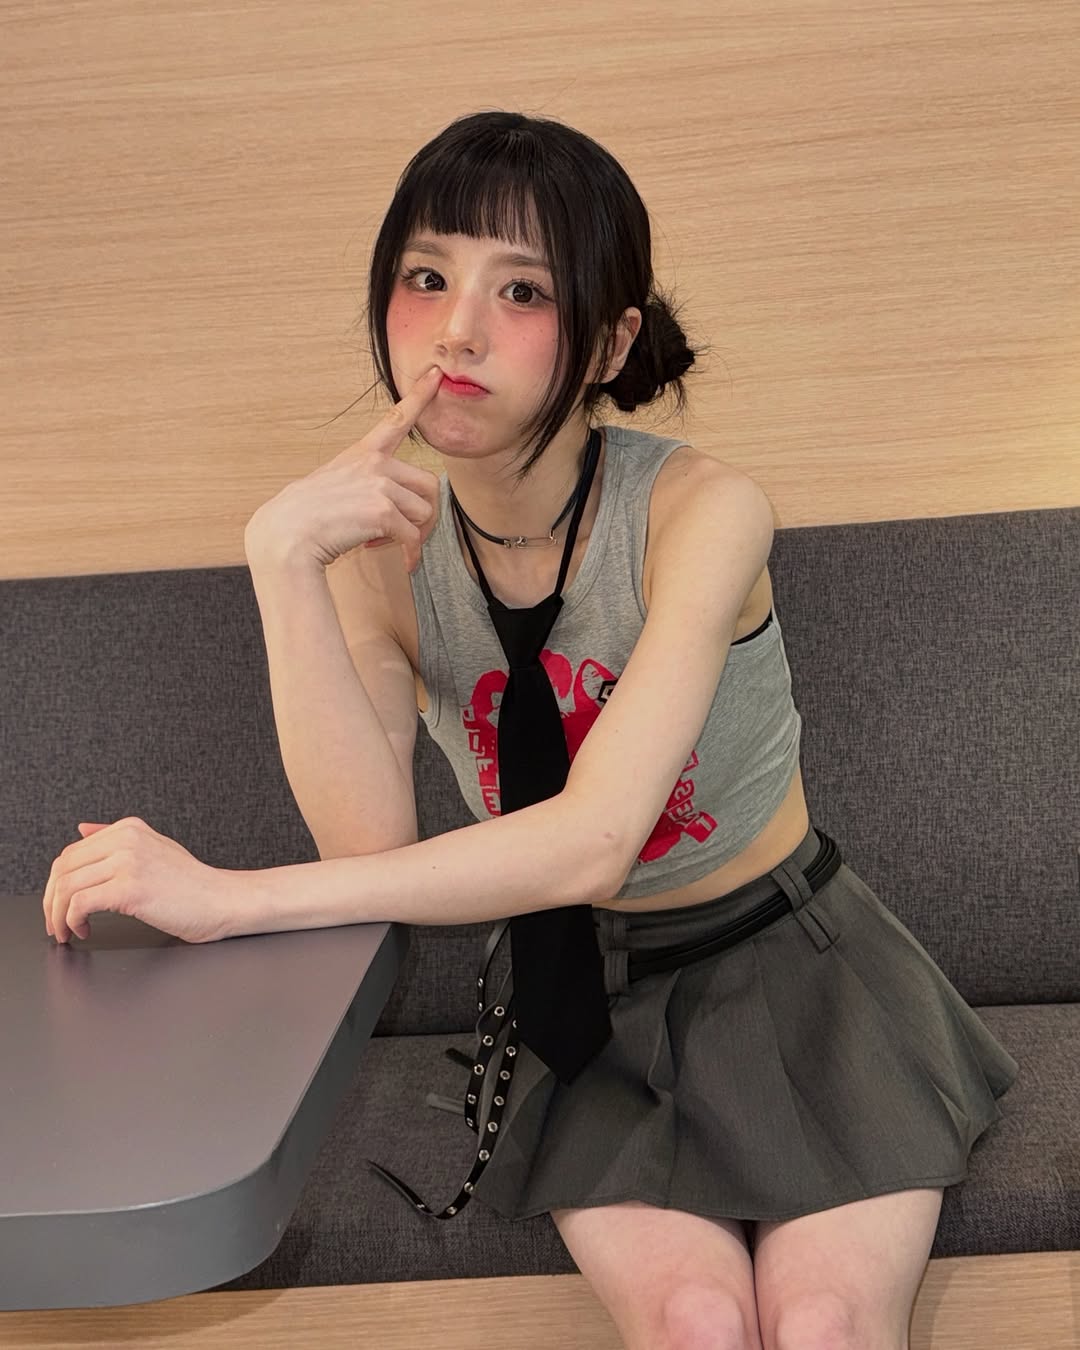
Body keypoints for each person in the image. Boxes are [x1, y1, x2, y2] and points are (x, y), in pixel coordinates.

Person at [44, 110, 1019, 1350]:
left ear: (609, 342)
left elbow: (594, 840)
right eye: (426, 278)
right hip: (579, 992)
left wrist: (228, 898)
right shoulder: (381, 557)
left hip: (794, 967)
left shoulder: (703, 511)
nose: (456, 330)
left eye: (522, 292)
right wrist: (281, 561)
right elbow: (368, 844)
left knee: (823, 1326)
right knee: (696, 1326)